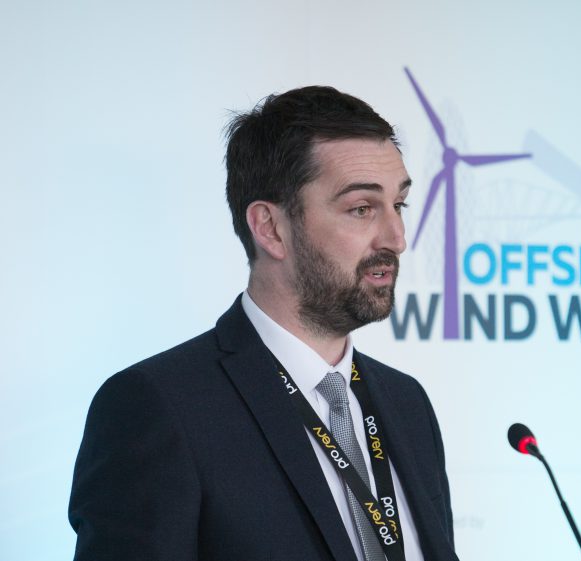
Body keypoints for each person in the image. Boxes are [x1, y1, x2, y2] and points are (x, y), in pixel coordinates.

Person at [68, 86, 458, 561]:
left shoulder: (407, 403)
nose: (397, 238)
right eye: (361, 208)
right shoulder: (158, 408)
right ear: (270, 229)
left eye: (399, 205)